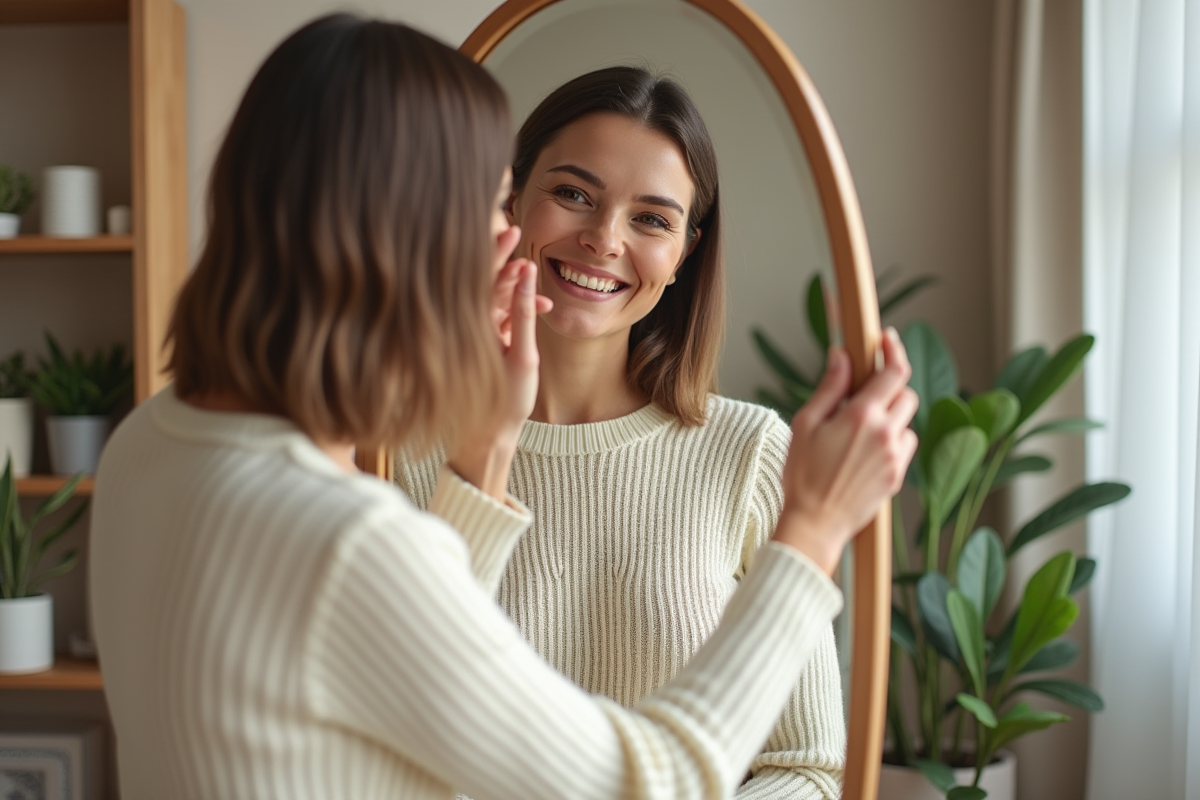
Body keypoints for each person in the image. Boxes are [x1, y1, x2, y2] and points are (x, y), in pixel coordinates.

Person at [89, 15, 917, 800]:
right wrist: (811, 533)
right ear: (400, 233)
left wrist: (482, 458)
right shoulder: (346, 539)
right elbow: (646, 783)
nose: (502, 240)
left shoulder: (148, 444)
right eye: (491, 205)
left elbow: (408, 685)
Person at [396, 66, 860, 800]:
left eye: (651, 219)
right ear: (511, 200)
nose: (603, 239)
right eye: (573, 194)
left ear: (684, 255)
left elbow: (804, 763)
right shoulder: (396, 447)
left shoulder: (748, 454)